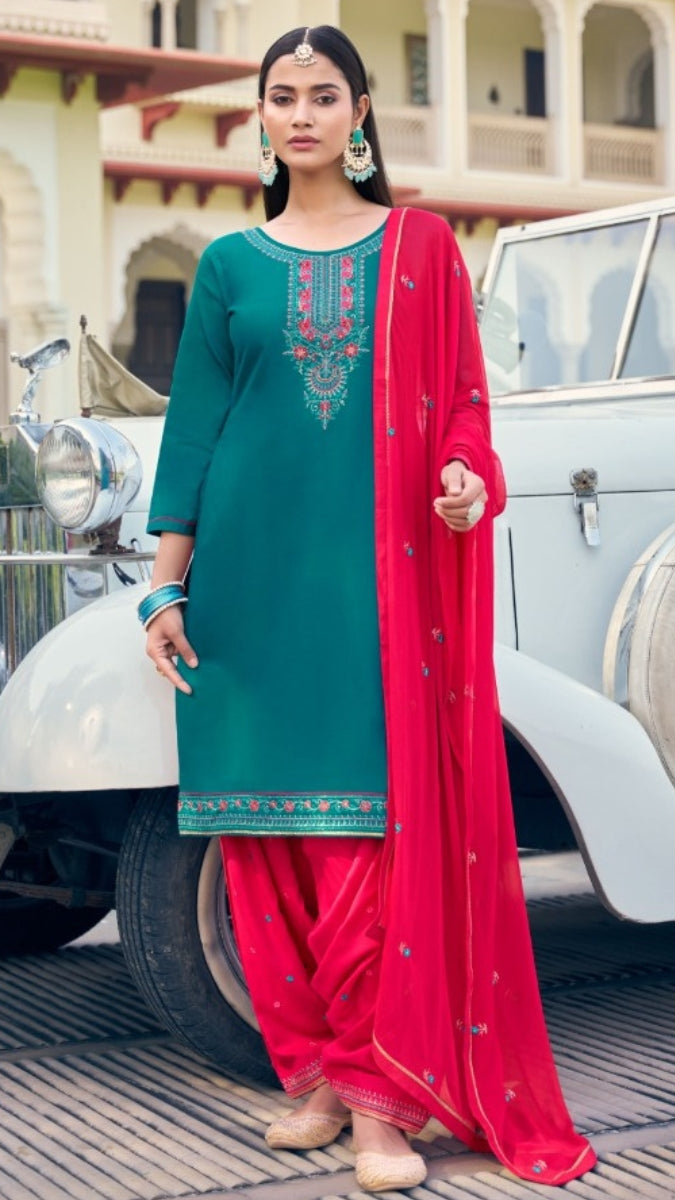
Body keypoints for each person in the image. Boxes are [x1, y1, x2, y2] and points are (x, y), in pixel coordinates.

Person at [141, 24, 597, 1194]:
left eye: (323, 95)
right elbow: (195, 432)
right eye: (281, 96)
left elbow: (461, 405)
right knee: (265, 839)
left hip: (376, 593)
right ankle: (318, 1081)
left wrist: (461, 478)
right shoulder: (232, 268)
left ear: (359, 118)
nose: (301, 113)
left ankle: (386, 1101)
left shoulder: (422, 248)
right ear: (261, 118)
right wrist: (166, 585)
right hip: (246, 584)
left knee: (361, 845)